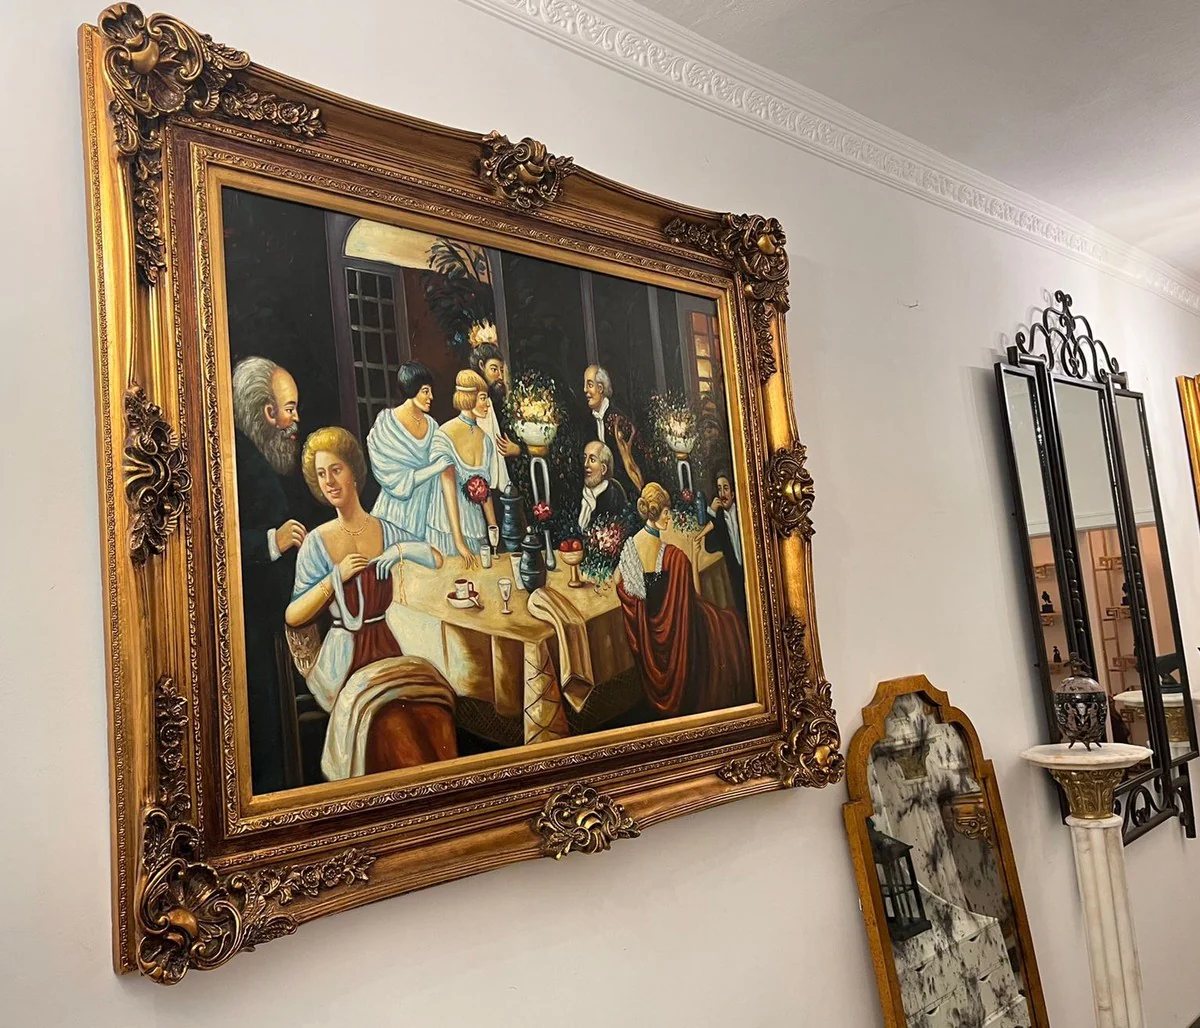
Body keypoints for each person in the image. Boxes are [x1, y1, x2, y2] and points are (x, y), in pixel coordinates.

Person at [286, 426, 458, 780]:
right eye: (321, 474)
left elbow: (436, 558)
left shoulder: (386, 529)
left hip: (392, 651)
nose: (329, 482)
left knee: (435, 714)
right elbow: (294, 615)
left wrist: (400, 550)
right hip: (345, 662)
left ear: (353, 472)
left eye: (336, 470)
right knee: (393, 725)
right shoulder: (316, 543)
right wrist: (335, 578)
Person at [231, 356, 308, 794]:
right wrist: (270, 543)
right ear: (267, 412)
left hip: (275, 620)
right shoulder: (234, 460)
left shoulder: (271, 457)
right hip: (250, 626)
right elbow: (214, 539)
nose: (295, 420)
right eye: (290, 408)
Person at [615, 482, 751, 718]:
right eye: (667, 513)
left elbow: (618, 581)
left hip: (650, 643)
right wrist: (694, 558)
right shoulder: (675, 558)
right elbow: (694, 598)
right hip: (681, 634)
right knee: (731, 626)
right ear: (657, 513)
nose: (669, 518)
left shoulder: (630, 547)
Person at [367, 361, 452, 542]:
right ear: (412, 390)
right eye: (425, 391)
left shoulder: (433, 426)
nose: (431, 397)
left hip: (424, 513)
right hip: (393, 512)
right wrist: (436, 467)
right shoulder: (386, 423)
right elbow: (392, 477)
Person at [427, 370, 498, 567]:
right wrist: (459, 542)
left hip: (475, 529)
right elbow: (448, 489)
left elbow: (485, 492)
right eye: (483, 398)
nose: (487, 404)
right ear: (469, 398)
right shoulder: (444, 435)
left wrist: (494, 530)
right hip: (447, 529)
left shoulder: (486, 441)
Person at [582, 364, 643, 494]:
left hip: (625, 489)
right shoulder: (588, 423)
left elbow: (634, 460)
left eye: (589, 385)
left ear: (600, 388)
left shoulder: (618, 420)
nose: (585, 390)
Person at [469, 339, 520, 490]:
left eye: (501, 370)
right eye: (494, 369)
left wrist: (516, 449)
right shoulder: (474, 404)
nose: (500, 376)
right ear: (481, 366)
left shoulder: (500, 402)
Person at [704, 469, 746, 617]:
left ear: (733, 493)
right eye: (719, 489)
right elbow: (709, 546)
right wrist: (711, 512)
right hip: (734, 574)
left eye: (726, 488)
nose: (722, 494)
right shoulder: (719, 518)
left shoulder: (744, 512)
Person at [578, 440, 628, 532]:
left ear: (603, 469)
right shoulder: (579, 494)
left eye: (592, 460)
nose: (585, 464)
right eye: (585, 458)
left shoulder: (612, 498)